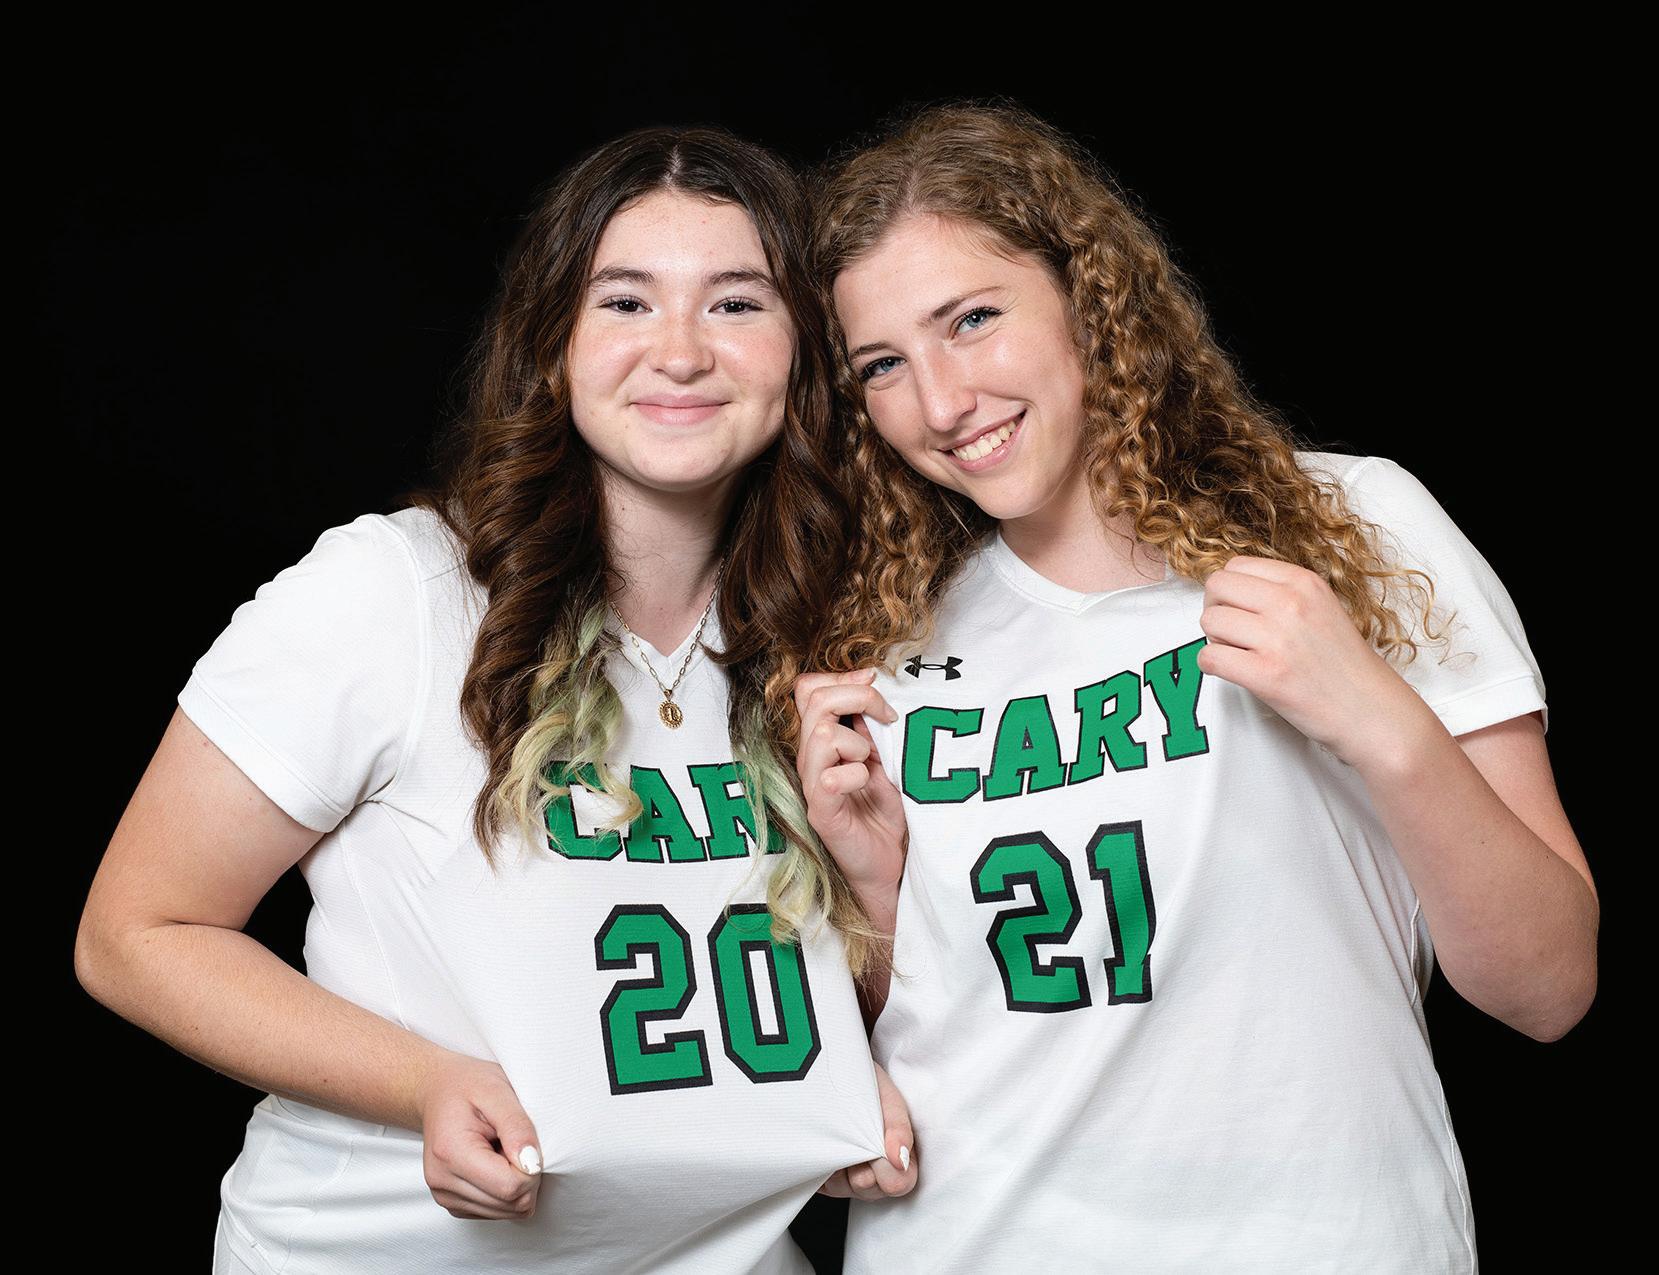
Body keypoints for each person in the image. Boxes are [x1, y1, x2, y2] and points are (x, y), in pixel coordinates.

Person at [74, 125, 916, 1275]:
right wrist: (427, 1083)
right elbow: (135, 936)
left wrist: (836, 1072)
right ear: (553, 344)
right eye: (625, 302)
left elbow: (796, 986)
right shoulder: (395, 594)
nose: (680, 352)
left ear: (805, 351)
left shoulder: (846, 630)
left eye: (735, 303)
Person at [789, 102, 1597, 1272]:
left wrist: (1384, 726)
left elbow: (1550, 987)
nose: (943, 402)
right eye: (883, 366)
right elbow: (879, 1059)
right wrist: (870, 883)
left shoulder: (1352, 530)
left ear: (1086, 298)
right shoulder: (878, 640)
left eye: (972, 319)